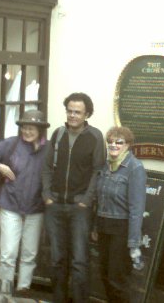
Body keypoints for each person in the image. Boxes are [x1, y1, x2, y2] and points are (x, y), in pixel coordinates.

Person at [41, 92, 105, 303]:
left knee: (79, 260)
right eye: (69, 111)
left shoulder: (95, 137)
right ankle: (59, 299)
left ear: (87, 114)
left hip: (79, 207)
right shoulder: (58, 134)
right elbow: (47, 167)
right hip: (56, 205)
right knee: (57, 258)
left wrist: (86, 200)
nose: (72, 115)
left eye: (77, 112)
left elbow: (98, 171)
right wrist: (47, 195)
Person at [0, 109, 50, 300]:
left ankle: (23, 290)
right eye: (25, 128)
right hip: (10, 206)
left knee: (29, 253)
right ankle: (4, 291)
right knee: (8, 253)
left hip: (36, 208)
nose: (27, 132)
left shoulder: (49, 149)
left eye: (32, 128)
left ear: (40, 130)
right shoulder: (12, 144)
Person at [95, 126, 147, 303]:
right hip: (103, 226)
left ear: (128, 145)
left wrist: (133, 243)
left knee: (117, 279)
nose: (113, 145)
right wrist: (95, 226)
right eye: (110, 142)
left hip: (121, 230)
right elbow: (99, 198)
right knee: (104, 275)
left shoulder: (135, 168)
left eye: (119, 142)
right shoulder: (106, 165)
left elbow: (136, 209)